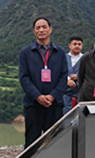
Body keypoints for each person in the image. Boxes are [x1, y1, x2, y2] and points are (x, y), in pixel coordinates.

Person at [18, 18, 68, 148]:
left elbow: (63, 77)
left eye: (44, 27)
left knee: (54, 142)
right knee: (32, 143)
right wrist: (38, 96)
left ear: (50, 30)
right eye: (38, 28)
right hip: (33, 104)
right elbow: (24, 78)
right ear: (34, 31)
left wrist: (53, 96)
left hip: (54, 104)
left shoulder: (60, 52)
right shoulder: (26, 53)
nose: (41, 30)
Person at [63, 36, 83, 114]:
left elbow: (89, 74)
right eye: (74, 44)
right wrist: (67, 80)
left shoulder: (86, 59)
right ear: (69, 45)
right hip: (65, 94)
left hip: (80, 94)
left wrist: (78, 77)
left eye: (79, 44)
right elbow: (58, 72)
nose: (77, 46)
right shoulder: (63, 58)